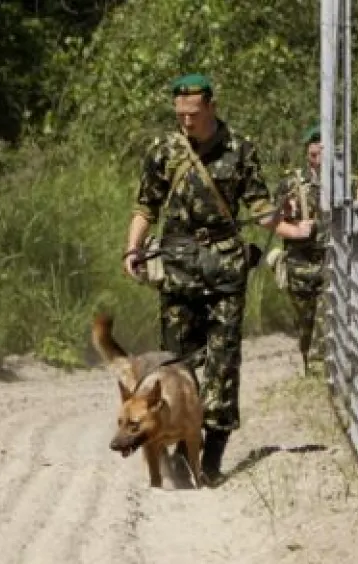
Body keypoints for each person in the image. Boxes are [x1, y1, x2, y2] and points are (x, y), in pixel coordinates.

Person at [121, 73, 288, 485]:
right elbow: (146, 206)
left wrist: (292, 229)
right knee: (175, 365)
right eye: (180, 114)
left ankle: (211, 456)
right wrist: (133, 249)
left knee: (223, 363)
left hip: (225, 268)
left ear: (211, 106)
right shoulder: (163, 150)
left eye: (194, 114)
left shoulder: (240, 149)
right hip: (177, 268)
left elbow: (261, 206)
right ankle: (176, 448)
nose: (187, 122)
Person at [261, 123, 327, 376]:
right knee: (306, 318)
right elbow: (269, 220)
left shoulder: (347, 183)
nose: (318, 156)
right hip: (301, 263)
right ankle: (308, 362)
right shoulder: (292, 183)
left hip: (334, 260)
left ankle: (330, 365)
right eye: (314, 150)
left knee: (332, 314)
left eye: (322, 150)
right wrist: (295, 228)